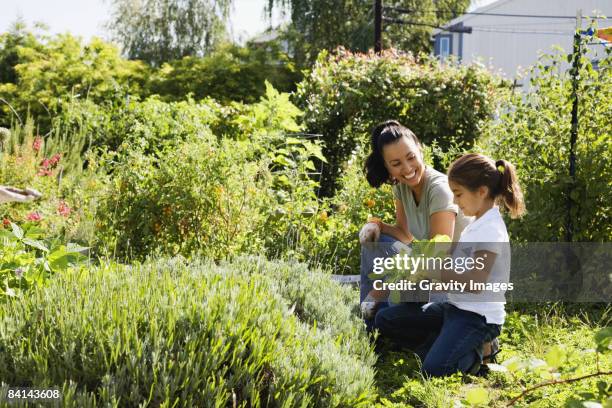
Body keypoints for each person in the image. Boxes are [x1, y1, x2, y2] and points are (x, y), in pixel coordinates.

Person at [389, 153, 524, 377]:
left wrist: (435, 272)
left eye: (458, 194)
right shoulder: (475, 224)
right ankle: (446, 341)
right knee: (388, 319)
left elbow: (475, 282)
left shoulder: (491, 230)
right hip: (455, 307)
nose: (454, 201)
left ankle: (477, 352)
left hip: (478, 317)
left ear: (481, 191)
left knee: (433, 370)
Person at [358, 120, 470, 352]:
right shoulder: (401, 186)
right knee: (377, 242)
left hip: (454, 283)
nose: (407, 168)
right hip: (430, 272)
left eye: (410, 157)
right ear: (388, 167)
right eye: (396, 163)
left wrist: (379, 290)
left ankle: (433, 335)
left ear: (420, 149)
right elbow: (404, 234)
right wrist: (375, 224)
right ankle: (367, 332)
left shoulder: (439, 189)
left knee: (390, 308)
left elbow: (438, 252)